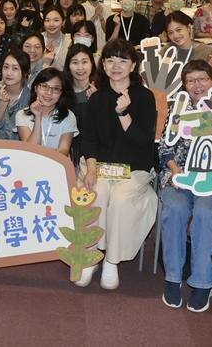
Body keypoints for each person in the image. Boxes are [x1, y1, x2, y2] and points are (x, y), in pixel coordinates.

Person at [158, 59, 212, 312]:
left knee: (206, 213)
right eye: (190, 80)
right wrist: (175, 171)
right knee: (174, 208)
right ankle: (173, 277)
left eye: (202, 79)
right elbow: (165, 147)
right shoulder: (178, 108)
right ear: (184, 85)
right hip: (180, 176)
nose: (197, 85)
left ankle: (203, 281)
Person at [78, 39, 158, 289]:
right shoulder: (97, 99)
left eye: (123, 60)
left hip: (134, 167)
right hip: (100, 166)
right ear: (103, 65)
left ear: (133, 66)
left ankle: (111, 260)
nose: (116, 66)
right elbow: (88, 139)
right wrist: (90, 168)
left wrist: (124, 114)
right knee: (97, 193)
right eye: (110, 60)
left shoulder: (144, 97)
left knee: (122, 199)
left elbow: (143, 140)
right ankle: (91, 255)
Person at [16, 67, 78, 154]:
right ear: (35, 88)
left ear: (61, 93)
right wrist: (38, 117)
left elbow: (63, 151)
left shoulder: (68, 116)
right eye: (44, 86)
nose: (49, 93)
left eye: (56, 89)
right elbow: (30, 151)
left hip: (57, 165)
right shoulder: (22, 115)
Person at [0, 50, 31, 140]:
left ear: (25, 73)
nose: (9, 73)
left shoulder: (31, 97)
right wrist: (3, 103)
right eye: (6, 67)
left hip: (20, 148)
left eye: (15, 68)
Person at [64, 44, 97, 166]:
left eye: (84, 62)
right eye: (75, 63)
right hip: (68, 151)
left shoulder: (101, 90)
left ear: (92, 64)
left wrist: (96, 102)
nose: (80, 68)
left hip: (95, 153)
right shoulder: (62, 92)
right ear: (68, 65)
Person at [42, 6, 72, 71]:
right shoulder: (37, 39)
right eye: (47, 20)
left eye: (56, 20)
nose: (51, 24)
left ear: (63, 22)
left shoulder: (70, 41)